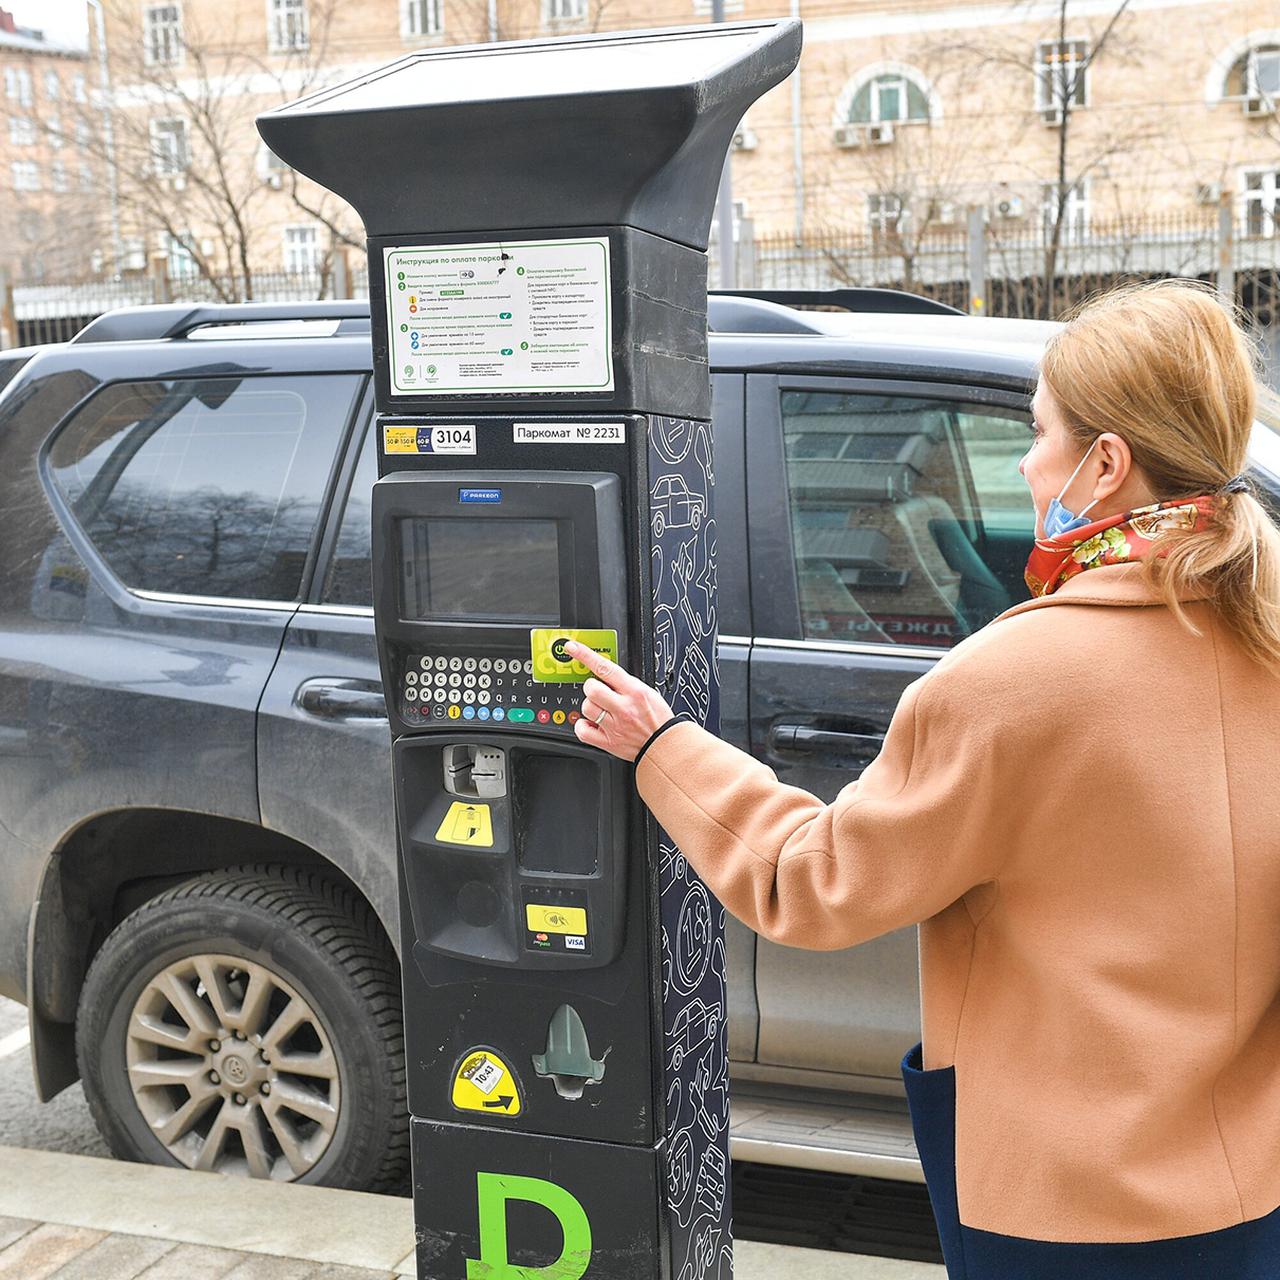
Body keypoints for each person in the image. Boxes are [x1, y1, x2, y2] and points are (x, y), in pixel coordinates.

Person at [565, 278, 1280, 1279]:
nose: (1029, 465)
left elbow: (811, 883)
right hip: (1250, 1185)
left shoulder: (1013, 680)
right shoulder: (1261, 633)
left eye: (1036, 435)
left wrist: (660, 745)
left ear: (1103, 463)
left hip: (1061, 1208)